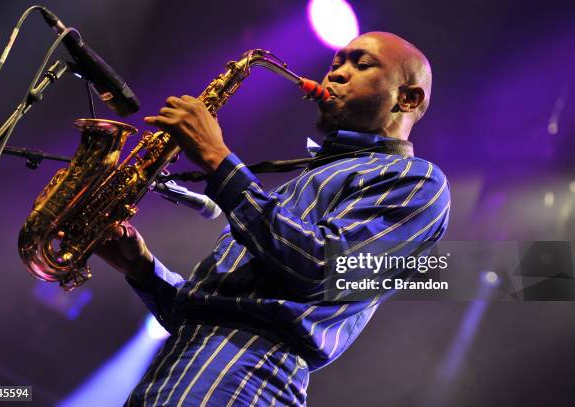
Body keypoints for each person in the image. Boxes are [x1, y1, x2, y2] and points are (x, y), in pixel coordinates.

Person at [97, 31, 450, 406]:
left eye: (361, 65)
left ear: (408, 97)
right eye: (335, 64)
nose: (336, 74)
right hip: (177, 369)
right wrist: (143, 270)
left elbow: (322, 268)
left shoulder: (417, 181)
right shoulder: (305, 181)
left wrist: (218, 160)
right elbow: (211, 311)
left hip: (245, 379)